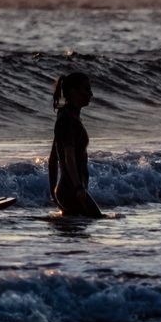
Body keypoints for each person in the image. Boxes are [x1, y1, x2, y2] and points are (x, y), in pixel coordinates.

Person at [48, 71, 103, 217]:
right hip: (71, 190)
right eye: (86, 89)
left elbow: (53, 159)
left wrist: (54, 191)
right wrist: (78, 188)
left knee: (74, 237)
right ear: (73, 91)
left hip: (67, 191)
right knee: (98, 219)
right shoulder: (68, 120)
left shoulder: (68, 117)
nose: (90, 94)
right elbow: (68, 157)